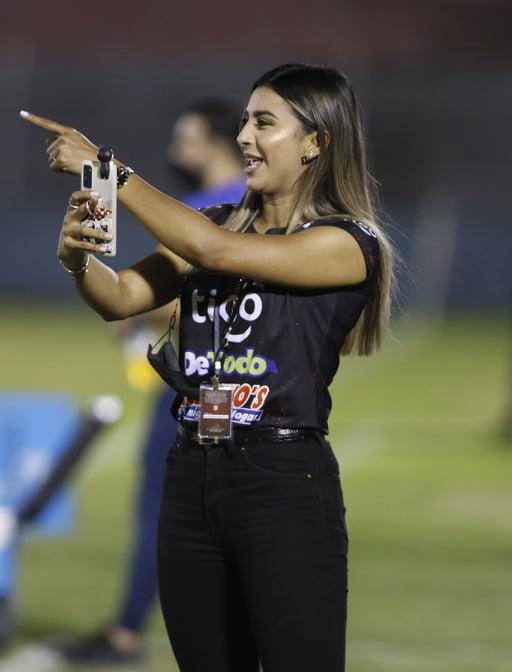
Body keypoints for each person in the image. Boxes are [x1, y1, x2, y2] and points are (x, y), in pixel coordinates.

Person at [22, 62, 395, 672]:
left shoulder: (348, 242)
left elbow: (214, 252)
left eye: (264, 123)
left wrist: (110, 170)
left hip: (281, 482)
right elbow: (122, 298)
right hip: (191, 473)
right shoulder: (217, 222)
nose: (244, 137)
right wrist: (78, 261)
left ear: (315, 142)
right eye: (245, 121)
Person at [62, 97, 246, 666]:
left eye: (186, 138)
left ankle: (126, 632)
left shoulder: (218, 206)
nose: (175, 150)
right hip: (226, 384)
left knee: (168, 501)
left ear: (216, 142)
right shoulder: (247, 200)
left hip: (201, 384)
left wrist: (138, 314)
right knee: (215, 499)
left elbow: (204, 295)